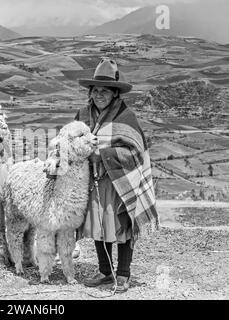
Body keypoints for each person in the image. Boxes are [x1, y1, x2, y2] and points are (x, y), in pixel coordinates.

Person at [75, 58, 159, 293]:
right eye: (96, 90)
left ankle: (122, 274)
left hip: (120, 183)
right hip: (92, 181)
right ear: (90, 93)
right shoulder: (83, 115)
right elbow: (71, 141)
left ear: (114, 93)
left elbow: (135, 152)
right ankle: (104, 271)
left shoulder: (125, 117)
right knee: (98, 225)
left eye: (105, 91)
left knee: (121, 227)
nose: (99, 95)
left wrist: (101, 155)